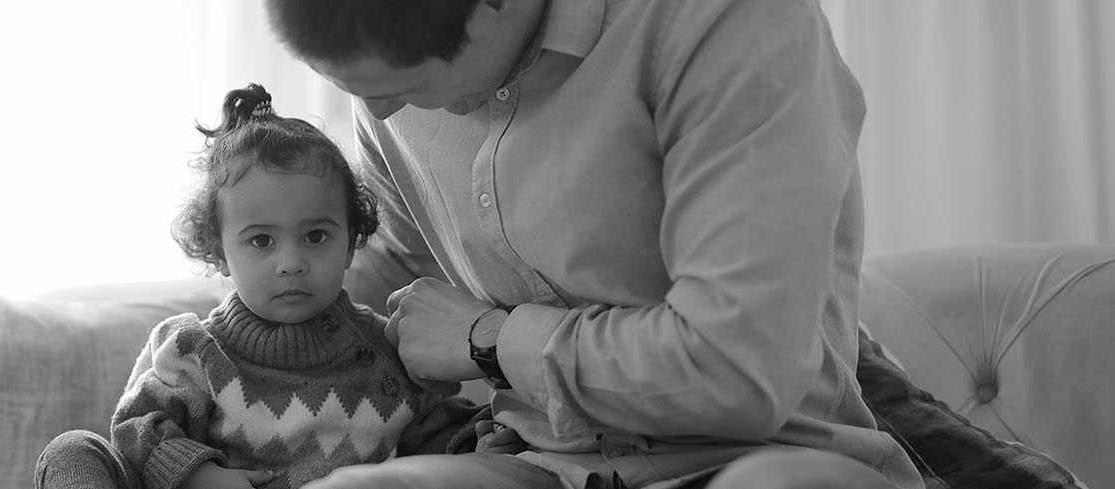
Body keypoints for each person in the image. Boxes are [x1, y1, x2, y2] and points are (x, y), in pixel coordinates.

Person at [261, 0, 926, 488]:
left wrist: (489, 339)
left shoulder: (726, 22)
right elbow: (395, 267)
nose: (379, 115)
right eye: (362, 92)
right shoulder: (391, 69)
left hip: (763, 455)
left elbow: (736, 371)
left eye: (401, 88)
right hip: (537, 462)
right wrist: (234, 343)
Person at [32, 83, 500, 489]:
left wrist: (481, 435)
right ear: (218, 252)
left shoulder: (386, 351)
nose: (291, 263)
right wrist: (195, 473)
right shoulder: (196, 351)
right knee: (72, 451)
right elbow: (136, 428)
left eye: (316, 236)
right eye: (261, 240)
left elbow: (439, 433)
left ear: (352, 242)